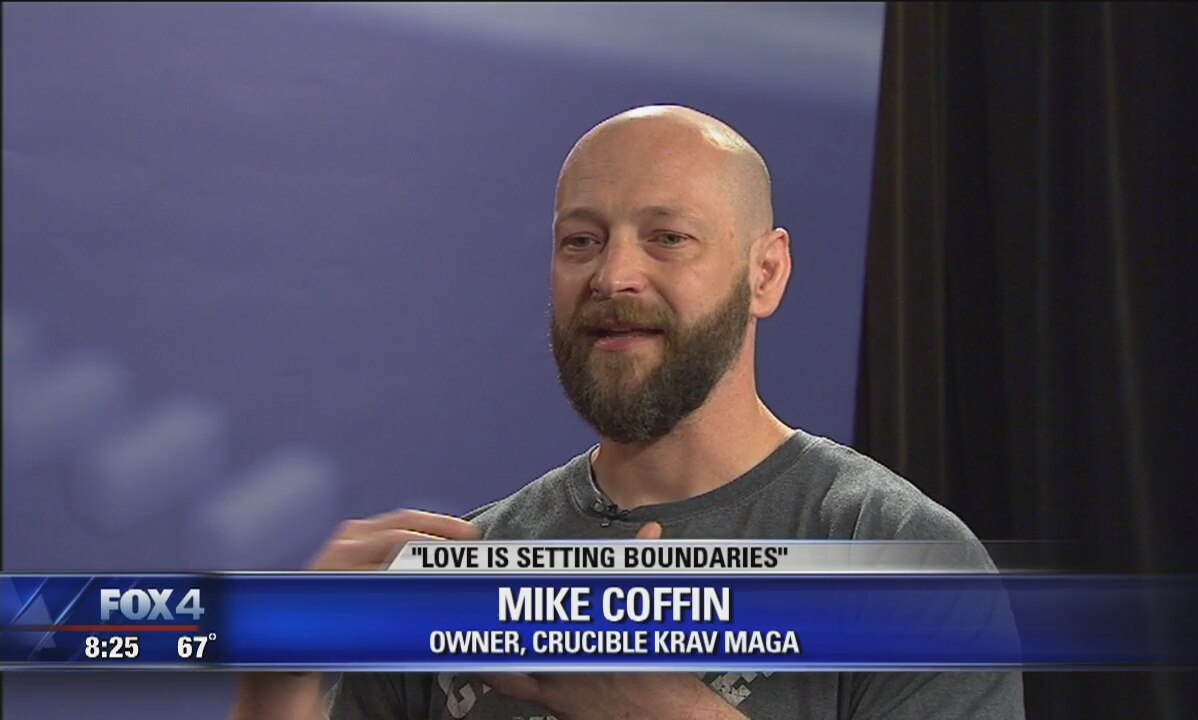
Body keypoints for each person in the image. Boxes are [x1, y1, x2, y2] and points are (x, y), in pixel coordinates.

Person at [230, 105, 1025, 719]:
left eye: (667, 238)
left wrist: (667, 709)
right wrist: (278, 678)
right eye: (581, 241)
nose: (613, 276)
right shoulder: (465, 569)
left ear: (765, 274)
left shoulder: (899, 562)